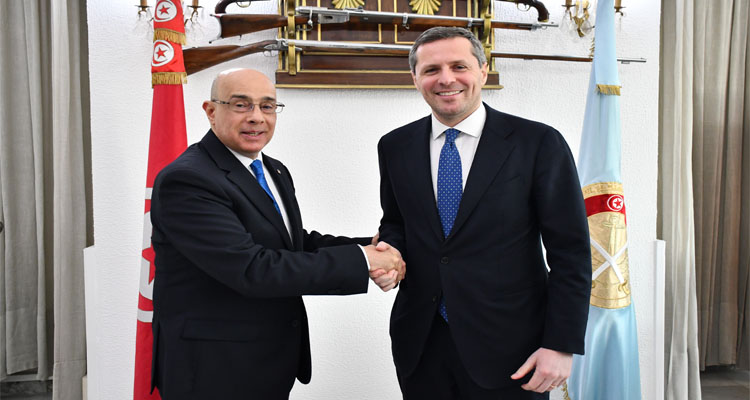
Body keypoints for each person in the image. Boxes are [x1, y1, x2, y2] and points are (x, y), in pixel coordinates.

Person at [149, 68, 403, 400]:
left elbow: (291, 242)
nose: (257, 117)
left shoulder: (273, 169)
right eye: (241, 104)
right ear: (211, 111)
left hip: (264, 361)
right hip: (213, 369)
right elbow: (252, 269)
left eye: (267, 106)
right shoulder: (188, 180)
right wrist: (362, 261)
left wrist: (371, 247)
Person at [377, 27, 592, 399]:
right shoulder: (395, 146)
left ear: (482, 70)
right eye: (431, 70)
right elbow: (396, 222)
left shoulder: (538, 143)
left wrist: (560, 344)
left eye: (459, 66)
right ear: (415, 78)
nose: (446, 79)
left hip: (513, 350)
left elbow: (570, 252)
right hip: (421, 345)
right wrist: (389, 256)